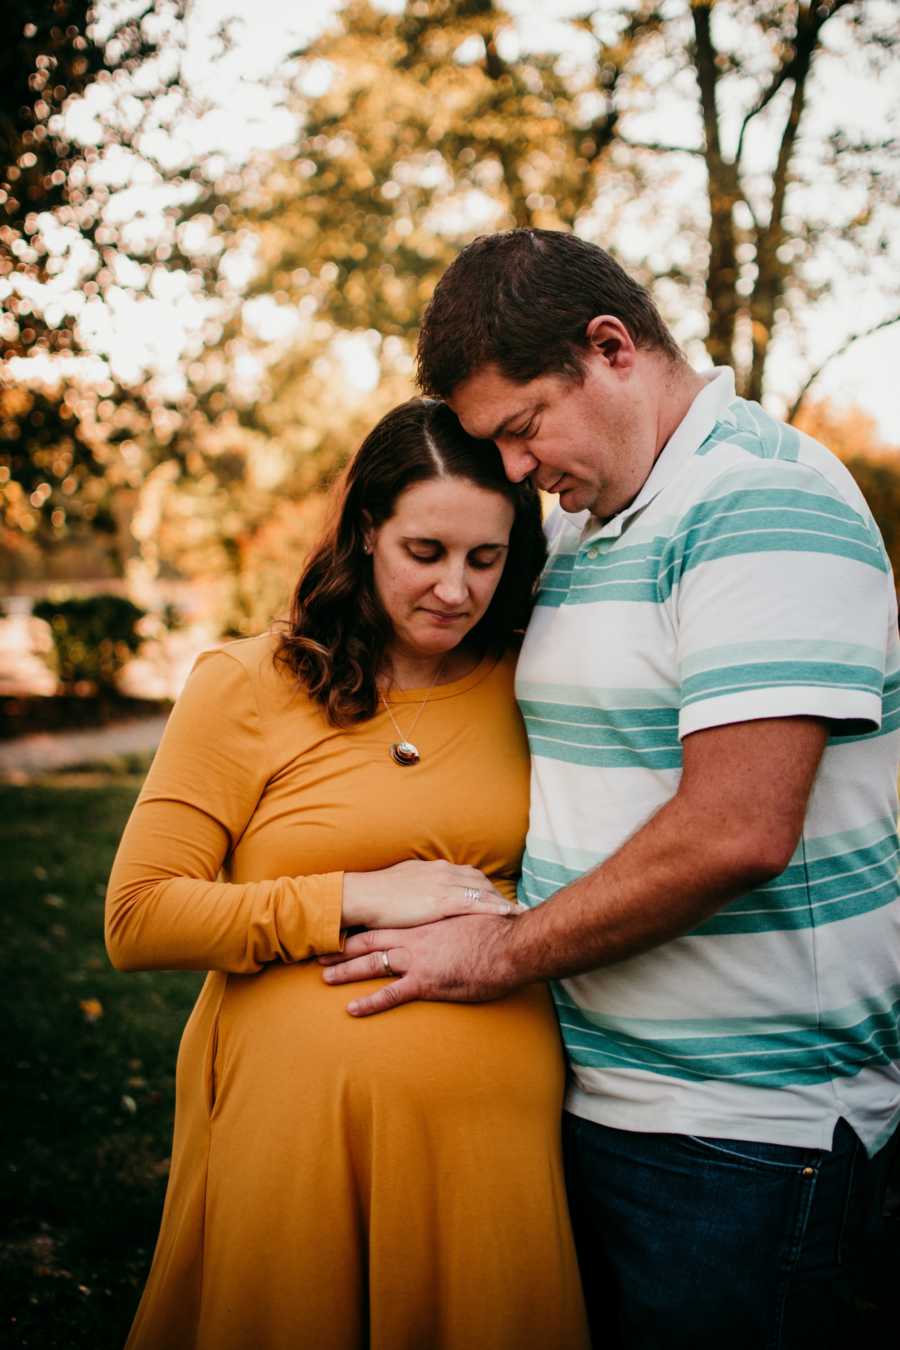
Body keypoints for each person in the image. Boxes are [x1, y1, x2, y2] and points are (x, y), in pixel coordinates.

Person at [321, 230, 900, 1349]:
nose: (520, 471)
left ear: (611, 347)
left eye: (523, 428)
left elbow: (734, 831)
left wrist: (493, 951)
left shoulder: (761, 503)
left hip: (741, 1137)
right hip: (598, 1095)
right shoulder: (591, 522)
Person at [105, 397, 590, 1350]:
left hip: (490, 1142)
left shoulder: (537, 679)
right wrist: (351, 897)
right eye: (427, 552)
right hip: (297, 1144)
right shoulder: (249, 684)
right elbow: (138, 917)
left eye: (485, 560)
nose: (456, 590)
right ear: (367, 529)